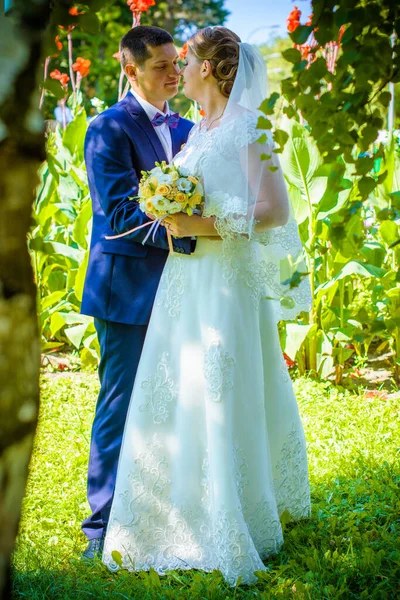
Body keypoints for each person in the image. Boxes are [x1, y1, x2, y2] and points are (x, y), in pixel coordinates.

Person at [102, 26, 312, 586]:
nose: (179, 71)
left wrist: (202, 225)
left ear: (210, 71)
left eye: (186, 61)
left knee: (221, 387)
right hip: (185, 281)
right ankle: (176, 509)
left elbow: (273, 212)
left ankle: (232, 513)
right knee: (179, 385)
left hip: (225, 284)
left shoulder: (250, 127)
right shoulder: (197, 131)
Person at [80, 25, 195, 559]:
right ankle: (100, 525)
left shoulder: (193, 127)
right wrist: (190, 231)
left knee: (178, 398)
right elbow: (120, 213)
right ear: (131, 70)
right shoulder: (107, 128)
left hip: (187, 287)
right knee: (119, 402)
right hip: (127, 288)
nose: (175, 73)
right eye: (161, 67)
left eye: (178, 63)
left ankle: (162, 507)